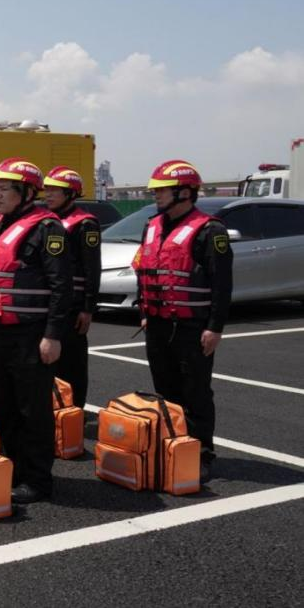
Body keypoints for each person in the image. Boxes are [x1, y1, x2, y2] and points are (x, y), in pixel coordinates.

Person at [0, 158, 72, 504]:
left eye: (4, 189)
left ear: (27, 192)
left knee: (33, 410)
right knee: (2, 404)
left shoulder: (47, 228)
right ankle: (12, 469)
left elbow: (61, 286)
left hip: (31, 334)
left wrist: (53, 335)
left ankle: (37, 479)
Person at [135, 160, 231, 484]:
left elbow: (222, 284)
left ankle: (202, 454)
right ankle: (173, 447)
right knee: (165, 390)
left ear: (185, 192)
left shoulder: (209, 231)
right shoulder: (152, 225)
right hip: (158, 325)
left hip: (191, 327)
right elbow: (144, 269)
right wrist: (144, 312)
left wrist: (214, 327)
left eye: (162, 190)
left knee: (195, 392)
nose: (156, 195)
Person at [43, 166, 101, 408]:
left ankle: (75, 412)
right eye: (46, 189)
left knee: (72, 365)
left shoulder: (84, 224)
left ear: (70, 194)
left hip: (73, 306)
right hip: (49, 304)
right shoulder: (46, 221)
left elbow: (92, 268)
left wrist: (88, 308)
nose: (48, 194)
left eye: (54, 190)